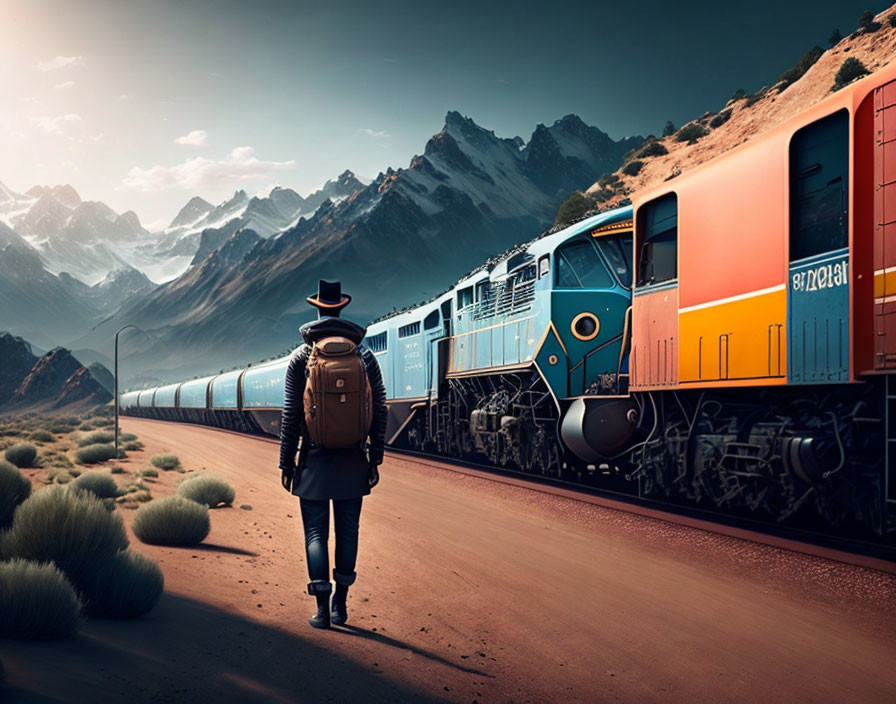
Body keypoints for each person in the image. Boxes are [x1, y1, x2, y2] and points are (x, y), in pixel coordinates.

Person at [278, 280, 387, 629]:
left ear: (318, 309)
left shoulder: (301, 358)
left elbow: (291, 415)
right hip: (353, 460)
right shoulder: (365, 356)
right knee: (348, 532)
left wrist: (286, 462)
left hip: (313, 461)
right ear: (341, 309)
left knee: (315, 535)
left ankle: (322, 611)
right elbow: (380, 409)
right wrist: (375, 457)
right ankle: (342, 605)